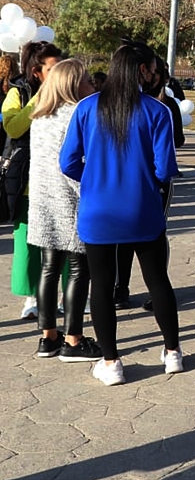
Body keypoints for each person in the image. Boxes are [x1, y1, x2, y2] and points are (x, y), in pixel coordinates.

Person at [59, 41, 181, 385]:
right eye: (152, 69)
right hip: (142, 208)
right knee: (158, 280)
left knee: (101, 284)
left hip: (98, 210)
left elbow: (67, 161)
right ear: (142, 71)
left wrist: (95, 178)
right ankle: (173, 353)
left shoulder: (86, 108)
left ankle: (111, 363)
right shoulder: (158, 112)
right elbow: (165, 168)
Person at [28, 58, 101, 362]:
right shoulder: (78, 115)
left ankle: (48, 337)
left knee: (48, 269)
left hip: (43, 201)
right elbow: (78, 163)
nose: (92, 85)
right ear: (72, 84)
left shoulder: (40, 116)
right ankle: (74, 339)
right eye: (86, 80)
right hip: (70, 200)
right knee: (77, 270)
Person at [114, 55, 183, 312]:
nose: (149, 76)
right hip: (139, 179)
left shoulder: (166, 106)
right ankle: (127, 289)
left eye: (154, 72)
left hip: (148, 181)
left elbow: (178, 140)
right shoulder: (131, 105)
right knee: (133, 236)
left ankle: (147, 289)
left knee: (148, 234)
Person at [5, 40, 63, 320]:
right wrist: (37, 101)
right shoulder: (18, 92)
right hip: (26, 182)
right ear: (35, 70)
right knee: (27, 243)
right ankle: (31, 297)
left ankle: (67, 295)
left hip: (61, 181)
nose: (58, 72)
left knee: (65, 239)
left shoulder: (68, 91)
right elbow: (13, 127)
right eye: (52, 68)